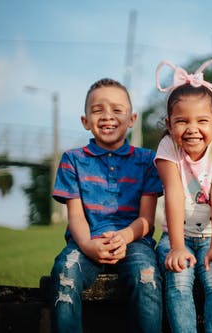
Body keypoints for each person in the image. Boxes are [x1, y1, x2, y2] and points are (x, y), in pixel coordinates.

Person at [49, 78, 163, 333]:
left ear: (132, 119)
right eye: (97, 110)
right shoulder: (72, 160)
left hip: (133, 241)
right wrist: (88, 245)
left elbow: (147, 219)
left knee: (146, 276)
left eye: (117, 109)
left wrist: (123, 237)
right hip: (86, 241)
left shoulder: (147, 160)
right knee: (64, 273)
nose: (107, 116)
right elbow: (75, 217)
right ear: (85, 121)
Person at [154, 58, 212, 333]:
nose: (192, 128)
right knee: (179, 278)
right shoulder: (168, 146)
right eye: (182, 121)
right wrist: (177, 247)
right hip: (176, 234)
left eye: (201, 121)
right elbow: (174, 193)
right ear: (169, 124)